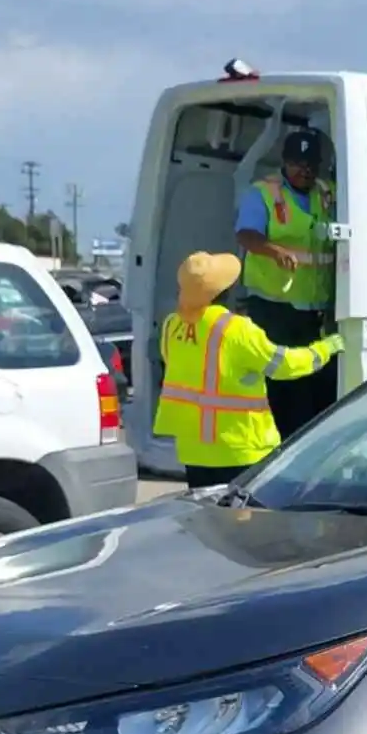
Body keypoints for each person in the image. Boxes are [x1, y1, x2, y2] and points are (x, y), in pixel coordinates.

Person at [152, 251, 342, 489]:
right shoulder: (236, 330)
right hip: (241, 449)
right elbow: (286, 365)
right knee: (243, 522)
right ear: (226, 290)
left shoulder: (172, 325)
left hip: (194, 451)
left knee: (207, 521)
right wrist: (327, 347)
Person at [235, 127, 339, 438]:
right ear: (284, 162)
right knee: (282, 382)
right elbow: (247, 235)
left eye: (310, 165)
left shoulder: (326, 192)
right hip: (274, 306)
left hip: (316, 308)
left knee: (317, 381)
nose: (304, 171)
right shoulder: (264, 193)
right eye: (297, 164)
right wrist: (273, 250)